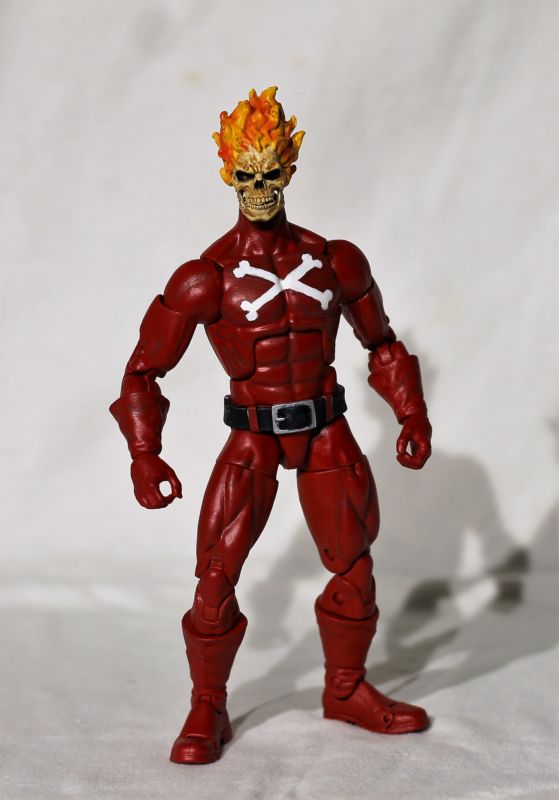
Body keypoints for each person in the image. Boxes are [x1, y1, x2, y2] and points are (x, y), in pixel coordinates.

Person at [110, 87, 432, 764]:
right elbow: (143, 372)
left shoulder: (336, 260)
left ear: (290, 169)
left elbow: (381, 342)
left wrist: (410, 411)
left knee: (354, 567)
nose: (260, 190)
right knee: (214, 576)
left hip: (324, 428)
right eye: (246, 176)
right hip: (253, 434)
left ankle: (346, 688)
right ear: (228, 174)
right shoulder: (204, 278)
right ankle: (208, 703)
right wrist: (145, 452)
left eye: (271, 174)